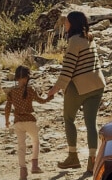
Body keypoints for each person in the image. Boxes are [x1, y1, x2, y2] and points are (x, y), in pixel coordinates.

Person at [46, 11, 107, 171]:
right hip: (97, 84)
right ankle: (92, 161)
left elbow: (68, 69)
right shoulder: (90, 37)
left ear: (72, 24)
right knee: (91, 123)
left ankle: (73, 157)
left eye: (66, 22)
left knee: (68, 119)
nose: (64, 25)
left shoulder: (73, 41)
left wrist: (54, 89)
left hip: (79, 86)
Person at [4, 66, 51, 180]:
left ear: (16, 78)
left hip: (18, 122)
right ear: (27, 77)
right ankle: (34, 164)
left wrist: (6, 120)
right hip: (30, 120)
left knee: (21, 146)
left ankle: (23, 172)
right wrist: (50, 97)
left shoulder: (12, 91)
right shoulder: (30, 89)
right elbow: (41, 101)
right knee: (35, 141)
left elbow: (7, 107)